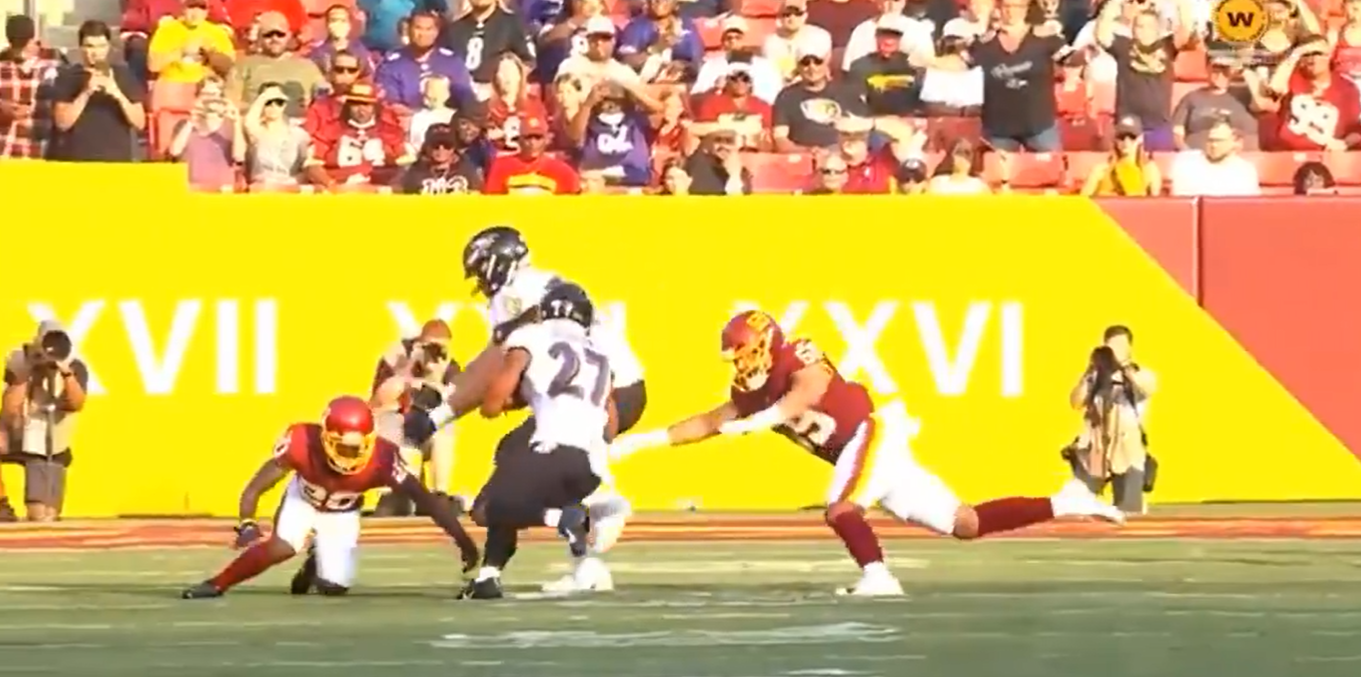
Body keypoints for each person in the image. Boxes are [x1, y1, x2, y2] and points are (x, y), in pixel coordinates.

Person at [609, 310, 1124, 596]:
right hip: (867, 450)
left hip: (871, 432)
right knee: (964, 523)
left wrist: (760, 422)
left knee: (841, 507)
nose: (739, 365)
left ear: (764, 344)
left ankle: (878, 576)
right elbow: (707, 422)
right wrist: (639, 442)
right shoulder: (751, 391)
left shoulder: (798, 355)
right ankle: (1066, 500)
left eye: (742, 353)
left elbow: (808, 391)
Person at [404, 226, 644, 593]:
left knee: (507, 484)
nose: (480, 284)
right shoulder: (547, 287)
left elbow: (493, 371)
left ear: (497, 264)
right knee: (519, 457)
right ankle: (571, 558)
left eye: (481, 272)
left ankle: (591, 505)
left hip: (604, 394)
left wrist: (438, 415)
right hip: (618, 389)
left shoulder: (515, 296)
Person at [181, 395, 477, 598]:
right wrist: (247, 522)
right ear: (325, 437)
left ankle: (315, 560)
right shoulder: (301, 442)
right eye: (343, 446)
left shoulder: (383, 460)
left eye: (357, 447)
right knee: (282, 547)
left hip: (342, 513)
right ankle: (217, 583)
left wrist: (462, 540)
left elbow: (426, 501)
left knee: (334, 587)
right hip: (303, 499)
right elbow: (256, 486)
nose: (350, 455)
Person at [462, 283, 616, 599]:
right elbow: (610, 419)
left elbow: (492, 403)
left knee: (486, 507)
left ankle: (562, 519)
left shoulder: (532, 336)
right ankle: (489, 576)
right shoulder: (600, 354)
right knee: (508, 459)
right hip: (589, 464)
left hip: (552, 449)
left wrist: (513, 399)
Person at [1, 321, 89, 522]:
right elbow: (9, 411)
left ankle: (43, 504)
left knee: (41, 516)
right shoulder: (20, 360)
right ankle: (1, 505)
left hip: (50, 442)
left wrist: (66, 373)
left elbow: (76, 404)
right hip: (19, 431)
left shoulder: (75, 364)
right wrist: (25, 373)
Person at [50, 21, 147, 162]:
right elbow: (62, 123)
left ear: (108, 47)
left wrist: (117, 94)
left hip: (117, 162)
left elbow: (139, 123)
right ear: (81, 47)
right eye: (90, 46)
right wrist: (86, 93)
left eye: (101, 46)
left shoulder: (123, 75)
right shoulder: (68, 77)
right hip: (78, 161)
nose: (95, 52)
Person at [375, 11, 476, 113]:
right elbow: (390, 103)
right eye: (418, 28)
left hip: (447, 119)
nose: (423, 34)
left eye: (429, 29)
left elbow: (466, 98)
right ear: (408, 30)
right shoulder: (392, 64)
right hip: (406, 119)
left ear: (437, 32)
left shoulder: (452, 62)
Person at [442, 0, 536, 88]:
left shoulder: (513, 24)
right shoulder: (454, 29)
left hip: (496, 92)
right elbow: (442, 64)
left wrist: (503, 85)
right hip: (460, 92)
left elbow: (529, 63)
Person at [399, 122, 485, 194]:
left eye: (447, 145)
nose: (441, 149)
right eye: (435, 145)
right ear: (426, 147)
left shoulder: (467, 169)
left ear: (454, 147)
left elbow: (477, 197)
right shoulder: (414, 172)